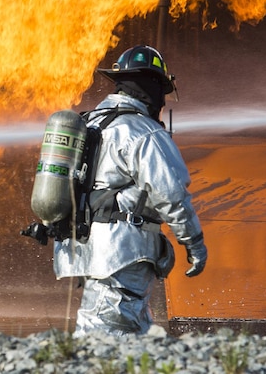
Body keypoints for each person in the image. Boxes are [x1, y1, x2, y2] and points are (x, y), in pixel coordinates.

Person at [53, 44, 207, 336]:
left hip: (89, 247)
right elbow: (172, 194)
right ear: (152, 87)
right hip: (121, 251)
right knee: (110, 334)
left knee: (119, 326)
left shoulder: (92, 122)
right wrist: (195, 243)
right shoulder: (143, 131)